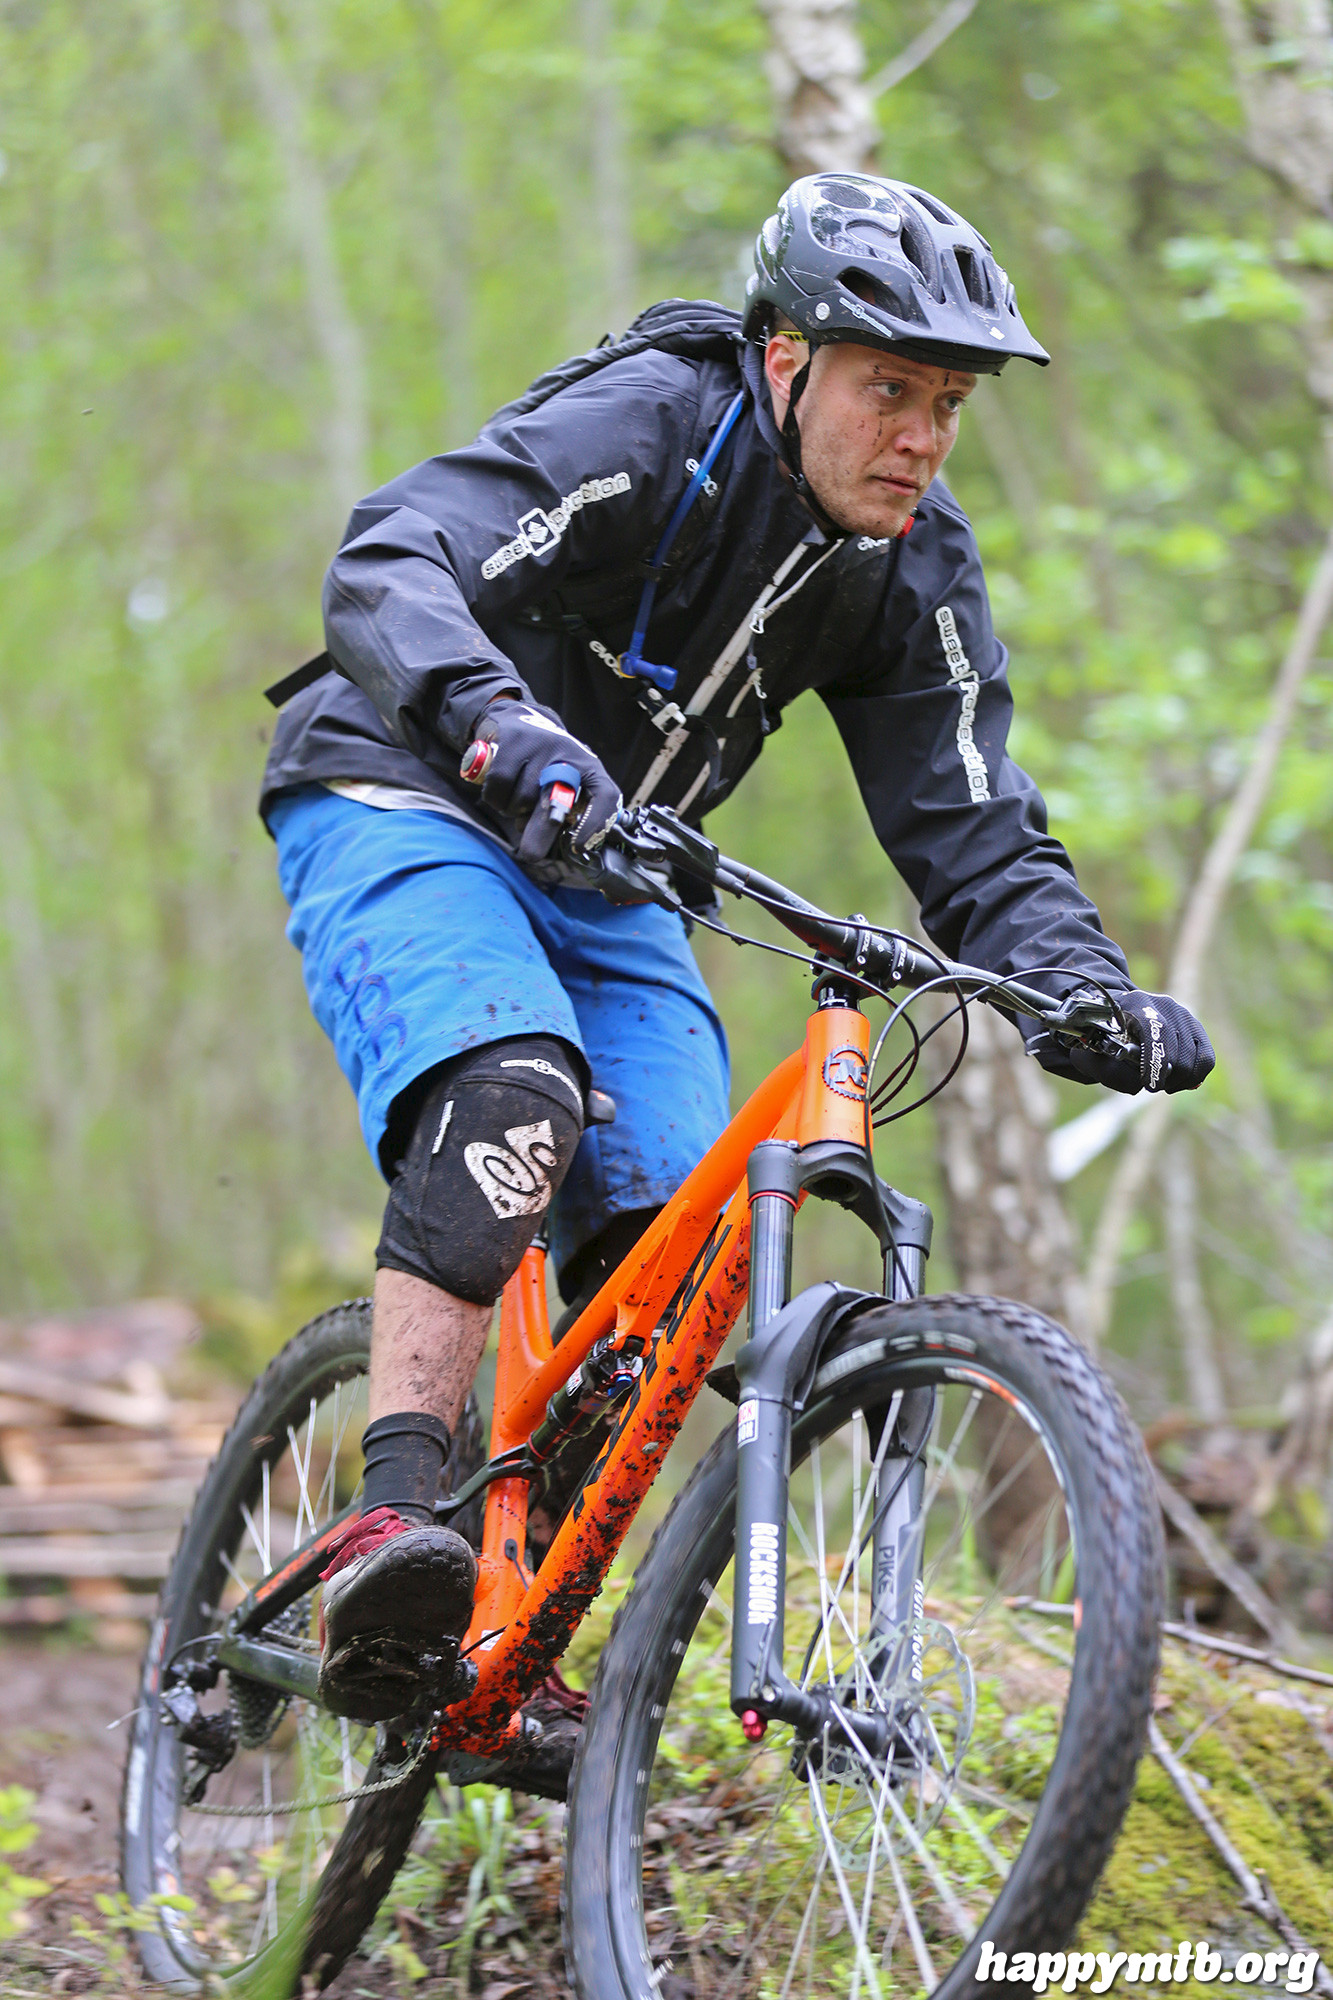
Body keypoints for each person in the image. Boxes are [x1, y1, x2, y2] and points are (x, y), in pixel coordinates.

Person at [259, 172, 1213, 1746]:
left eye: (948, 404)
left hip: (618, 867)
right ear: (784, 360)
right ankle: (392, 1523)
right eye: (888, 390)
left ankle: (503, 1624)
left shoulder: (910, 567)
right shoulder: (647, 423)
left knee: (674, 1276)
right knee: (512, 1095)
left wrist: (1079, 991)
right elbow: (393, 559)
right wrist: (502, 730)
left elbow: (973, 825)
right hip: (407, 781)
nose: (919, 436)